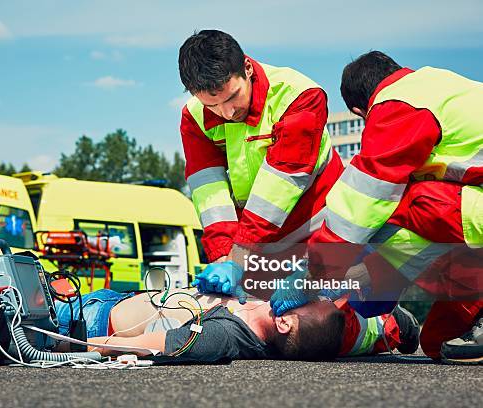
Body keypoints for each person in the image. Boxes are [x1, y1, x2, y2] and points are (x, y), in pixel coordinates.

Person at [281, 51, 482, 363]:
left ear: (361, 111)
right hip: (472, 219)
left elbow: (362, 203)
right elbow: (419, 237)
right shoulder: (438, 85)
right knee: (439, 342)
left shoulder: (399, 103)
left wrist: (313, 273)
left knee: (409, 201)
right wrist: (367, 280)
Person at [178, 30, 343, 301]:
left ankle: (391, 325)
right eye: (213, 105)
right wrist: (222, 257)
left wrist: (239, 256)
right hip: (259, 239)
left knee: (319, 318)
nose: (227, 113)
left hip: (320, 229)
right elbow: (210, 195)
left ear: (247, 68)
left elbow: (279, 188)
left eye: (232, 97)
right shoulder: (194, 117)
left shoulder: (299, 97)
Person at [53, 288, 419, 361]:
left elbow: (146, 344)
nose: (317, 295)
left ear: (285, 324)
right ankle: (391, 328)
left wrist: (60, 345)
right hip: (120, 293)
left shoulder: (224, 338)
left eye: (315, 304)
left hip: (87, 315)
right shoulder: (270, 296)